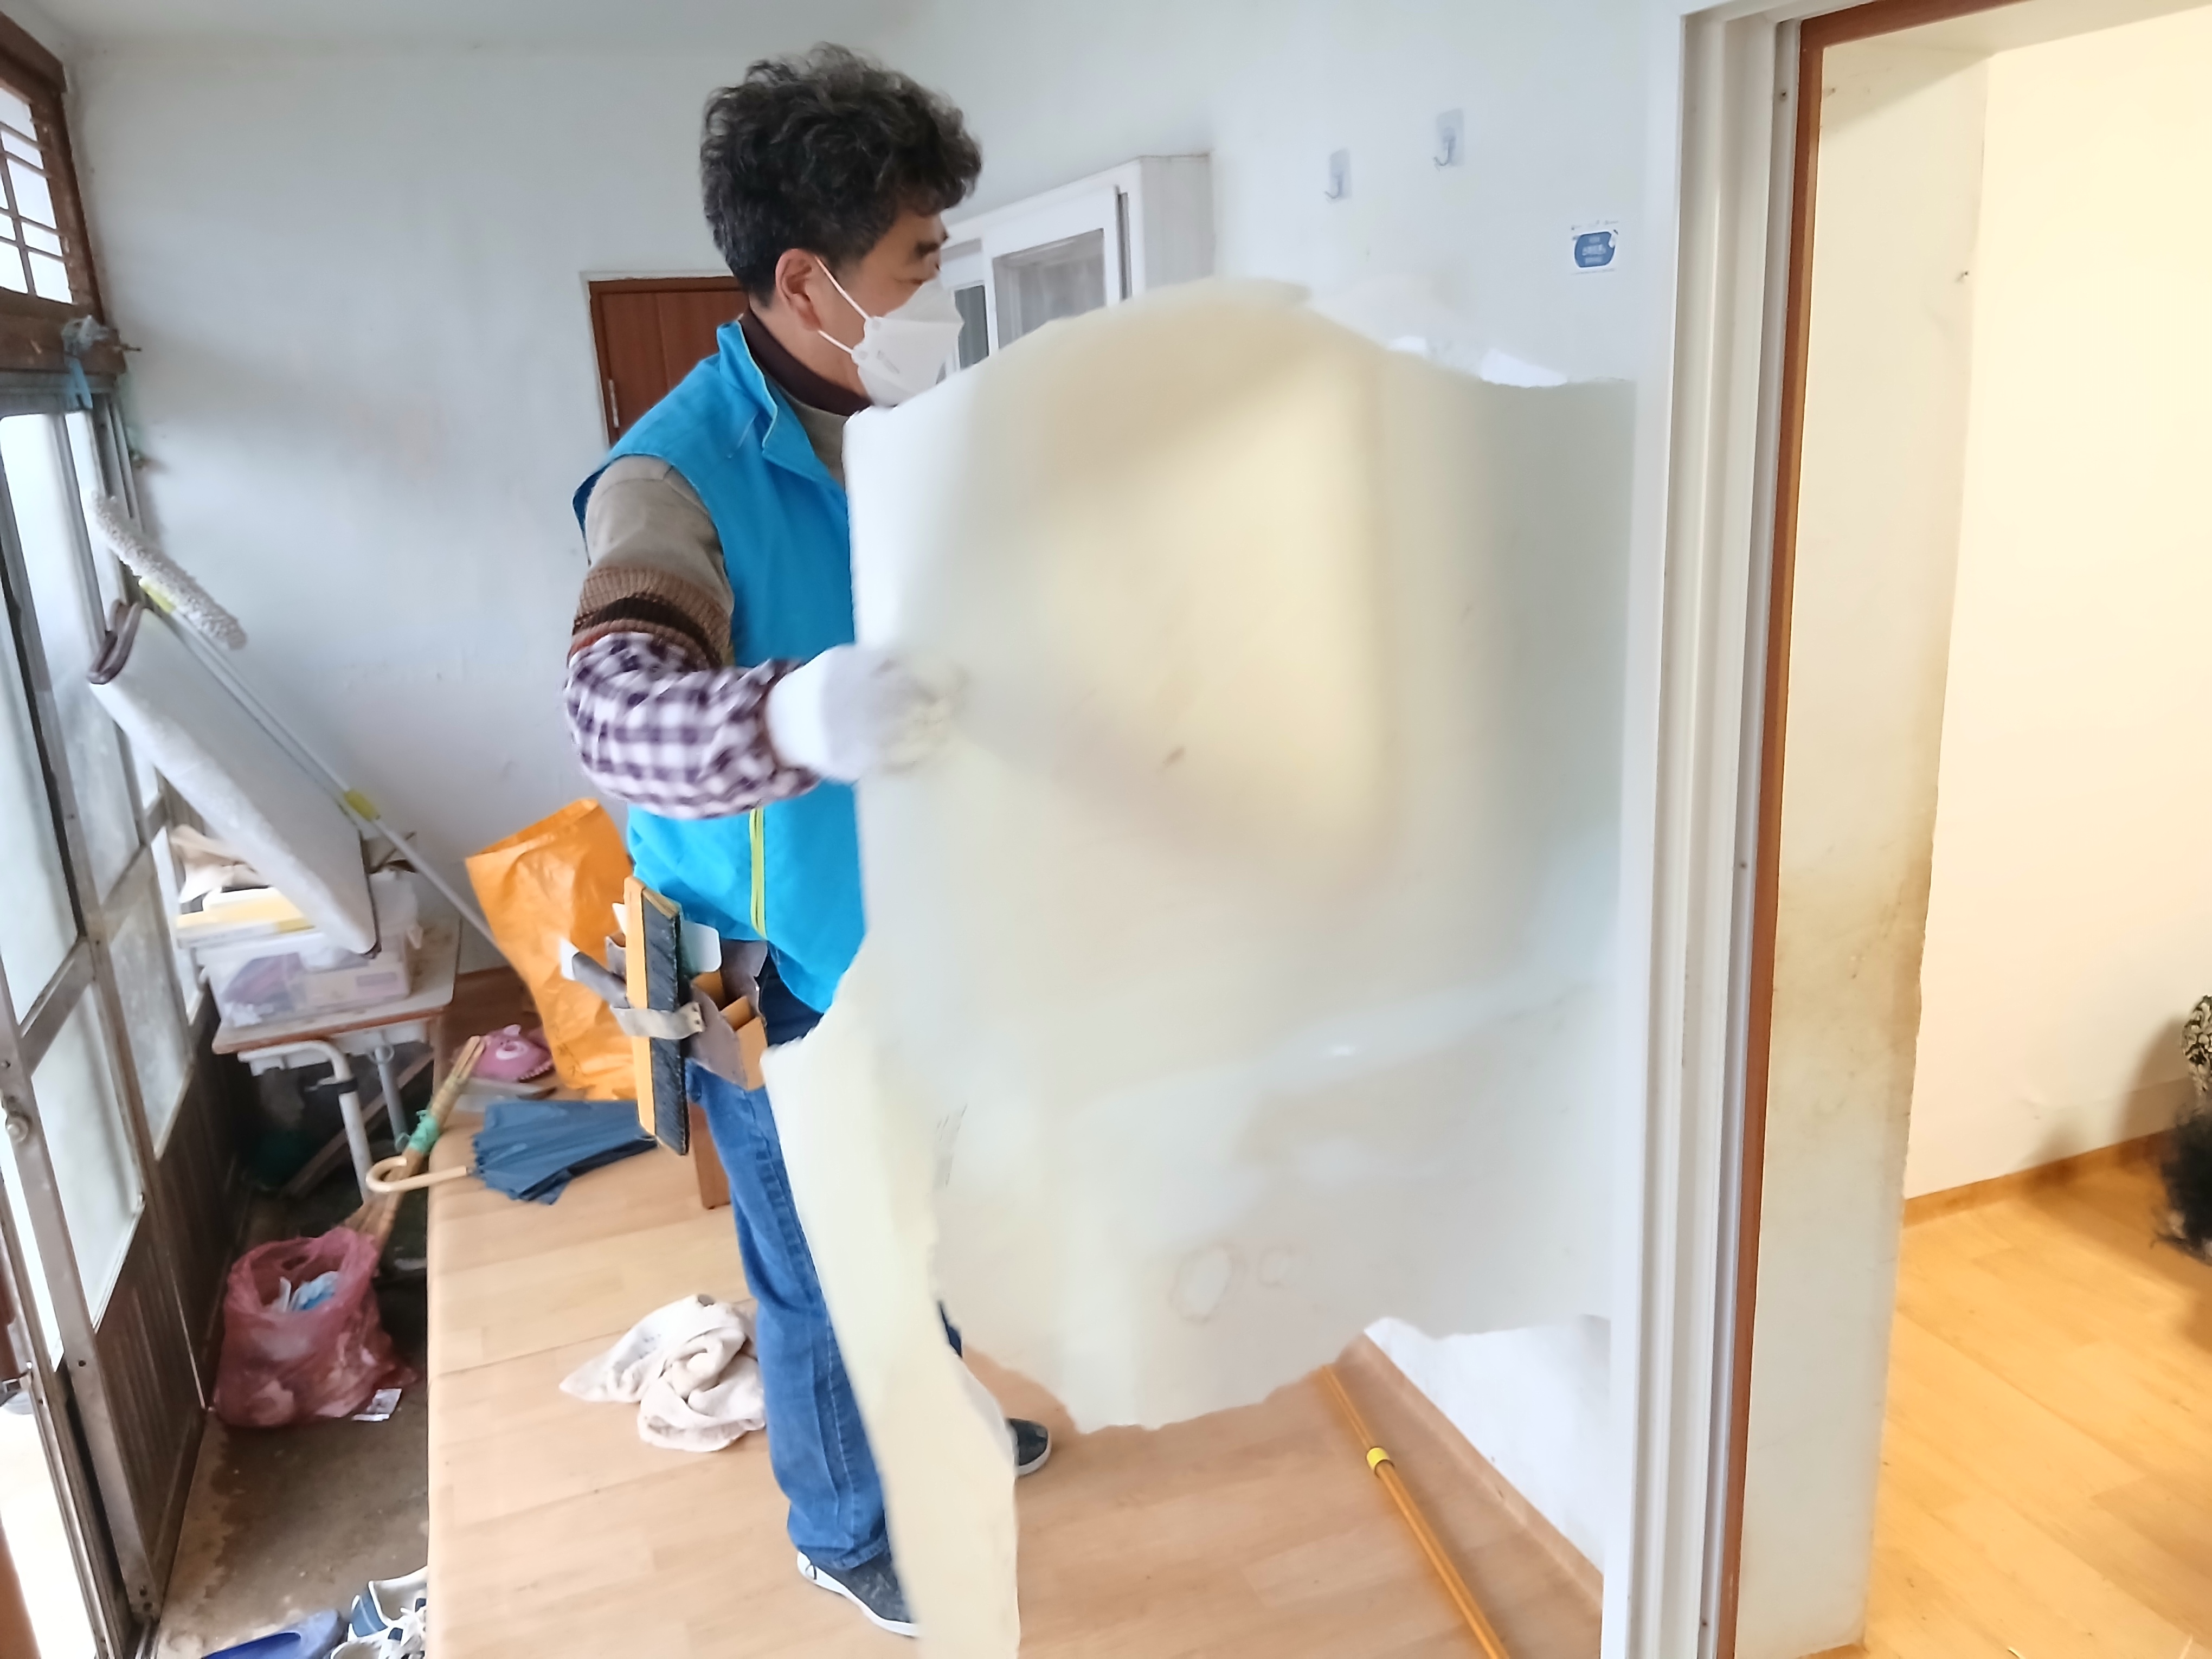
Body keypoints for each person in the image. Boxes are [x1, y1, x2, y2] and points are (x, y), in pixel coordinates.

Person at [562, 44, 1048, 1639]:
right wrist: (787, 715)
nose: (940, 295)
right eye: (919, 261)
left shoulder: (903, 429)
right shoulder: (670, 476)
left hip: (910, 939)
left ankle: (942, 1433)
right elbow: (614, 711)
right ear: (803, 279)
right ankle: (845, 1525)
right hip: (768, 982)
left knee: (914, 1231)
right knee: (822, 1269)